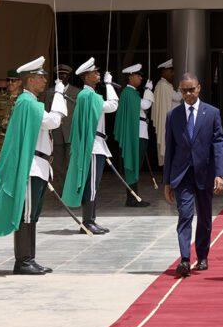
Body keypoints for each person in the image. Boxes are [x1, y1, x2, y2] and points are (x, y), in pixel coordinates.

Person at [0, 56, 67, 275]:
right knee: (26, 215)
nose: (44, 81)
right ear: (30, 79)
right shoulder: (27, 102)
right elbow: (53, 122)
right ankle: (23, 261)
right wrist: (59, 96)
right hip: (31, 167)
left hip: (39, 165)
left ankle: (29, 259)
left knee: (32, 215)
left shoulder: (29, 102)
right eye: (40, 77)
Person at [163, 73, 223, 277]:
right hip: (182, 175)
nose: (188, 94)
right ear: (180, 91)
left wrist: (220, 174)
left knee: (205, 218)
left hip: (205, 174)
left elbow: (219, 143)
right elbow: (170, 149)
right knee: (185, 215)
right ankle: (184, 259)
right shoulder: (173, 115)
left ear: (199, 88)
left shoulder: (212, 113)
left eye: (191, 89)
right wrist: (167, 181)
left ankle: (202, 255)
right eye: (184, 90)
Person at [62, 57, 119, 235]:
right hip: (93, 146)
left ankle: (91, 220)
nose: (98, 74)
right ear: (86, 77)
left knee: (93, 184)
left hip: (96, 144)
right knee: (91, 185)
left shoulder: (88, 95)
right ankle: (87, 222)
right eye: (95, 72)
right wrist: (109, 85)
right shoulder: (88, 96)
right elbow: (113, 105)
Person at [114, 63, 154, 207]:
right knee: (132, 166)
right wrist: (148, 90)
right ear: (130, 77)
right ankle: (132, 198)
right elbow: (145, 105)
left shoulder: (131, 93)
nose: (141, 78)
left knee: (134, 166)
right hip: (136, 135)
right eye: (138, 76)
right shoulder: (129, 93)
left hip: (139, 133)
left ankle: (133, 197)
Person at [42, 64, 79, 193]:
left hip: (71, 132)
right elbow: (46, 112)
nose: (62, 77)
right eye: (59, 74)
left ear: (69, 76)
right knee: (58, 165)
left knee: (71, 163)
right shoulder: (49, 93)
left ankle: (72, 190)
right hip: (56, 132)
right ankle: (64, 190)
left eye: (65, 74)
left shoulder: (77, 92)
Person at [151, 59, 181, 166]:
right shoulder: (164, 86)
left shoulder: (162, 85)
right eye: (171, 71)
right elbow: (178, 97)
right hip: (168, 122)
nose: (173, 74)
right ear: (164, 72)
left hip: (169, 121)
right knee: (169, 146)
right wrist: (181, 88)